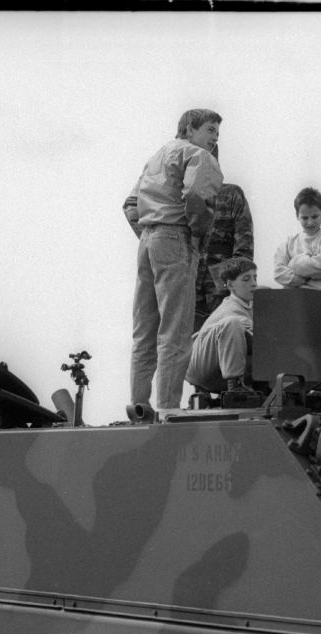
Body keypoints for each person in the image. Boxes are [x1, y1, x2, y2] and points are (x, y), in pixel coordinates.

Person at [126, 108, 224, 412]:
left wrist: (149, 234)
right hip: (176, 238)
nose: (214, 138)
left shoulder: (157, 157)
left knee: (145, 331)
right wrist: (194, 234)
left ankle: (139, 407)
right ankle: (168, 409)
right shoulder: (199, 156)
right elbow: (196, 195)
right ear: (190, 128)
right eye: (210, 129)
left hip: (148, 239)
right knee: (176, 332)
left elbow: (130, 205)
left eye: (216, 133)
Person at [124, 140, 253, 334]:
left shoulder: (231, 194)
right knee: (181, 340)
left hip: (220, 285)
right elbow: (131, 207)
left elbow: (244, 244)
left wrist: (233, 283)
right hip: (183, 273)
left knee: (224, 339)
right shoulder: (172, 196)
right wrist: (165, 246)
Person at [186, 257, 260, 402]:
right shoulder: (230, 309)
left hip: (218, 368)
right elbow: (261, 339)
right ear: (231, 285)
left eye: (254, 277)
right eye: (246, 279)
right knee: (232, 323)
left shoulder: (249, 306)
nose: (253, 283)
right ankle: (235, 387)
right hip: (199, 368)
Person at [273, 188, 321, 293]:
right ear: (297, 216)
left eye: (315, 217)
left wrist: (293, 263)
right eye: (305, 218)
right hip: (297, 298)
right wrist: (300, 277)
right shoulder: (289, 243)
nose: (310, 223)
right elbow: (278, 272)